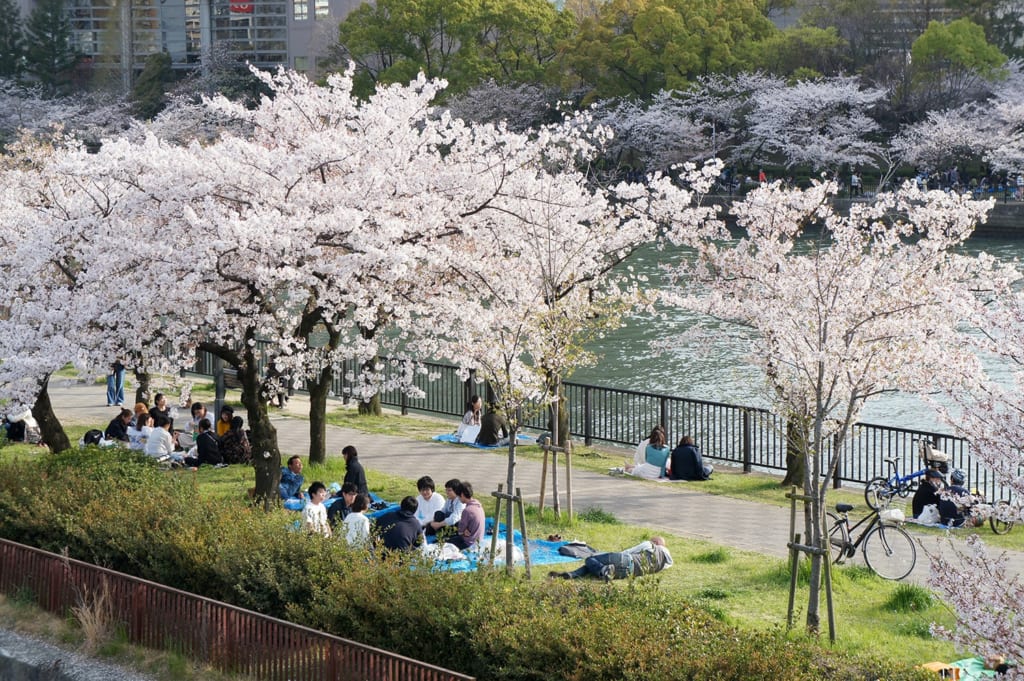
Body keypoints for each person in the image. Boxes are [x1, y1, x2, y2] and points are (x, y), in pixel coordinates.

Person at [550, 537, 673, 581]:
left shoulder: (650, 545)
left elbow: (629, 552)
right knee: (594, 564)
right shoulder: (665, 562)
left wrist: (613, 555)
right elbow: (667, 566)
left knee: (590, 558)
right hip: (627, 573)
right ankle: (572, 575)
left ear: (656, 542)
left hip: (626, 559)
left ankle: (603, 570)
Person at [446, 482, 484, 551]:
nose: (458, 499)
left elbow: (460, 530)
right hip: (478, 539)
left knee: (445, 544)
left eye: (458, 496)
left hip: (468, 543)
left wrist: (463, 531)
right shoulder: (478, 505)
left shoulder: (467, 511)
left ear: (462, 495)